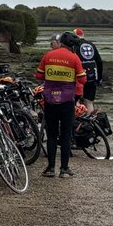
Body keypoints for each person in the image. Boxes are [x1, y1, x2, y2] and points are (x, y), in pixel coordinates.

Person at [34, 33, 86, 178]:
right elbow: (82, 80)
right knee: (66, 135)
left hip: (50, 100)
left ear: (61, 42)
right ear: (72, 46)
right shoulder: (74, 58)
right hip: (67, 101)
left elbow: (39, 76)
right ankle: (64, 169)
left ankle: (50, 168)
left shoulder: (48, 55)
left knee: (51, 135)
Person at [69, 28, 104, 108]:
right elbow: (99, 61)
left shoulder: (74, 46)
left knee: (76, 100)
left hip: (79, 77)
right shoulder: (92, 45)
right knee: (89, 101)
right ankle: (90, 119)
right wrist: (99, 78)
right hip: (92, 76)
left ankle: (76, 119)